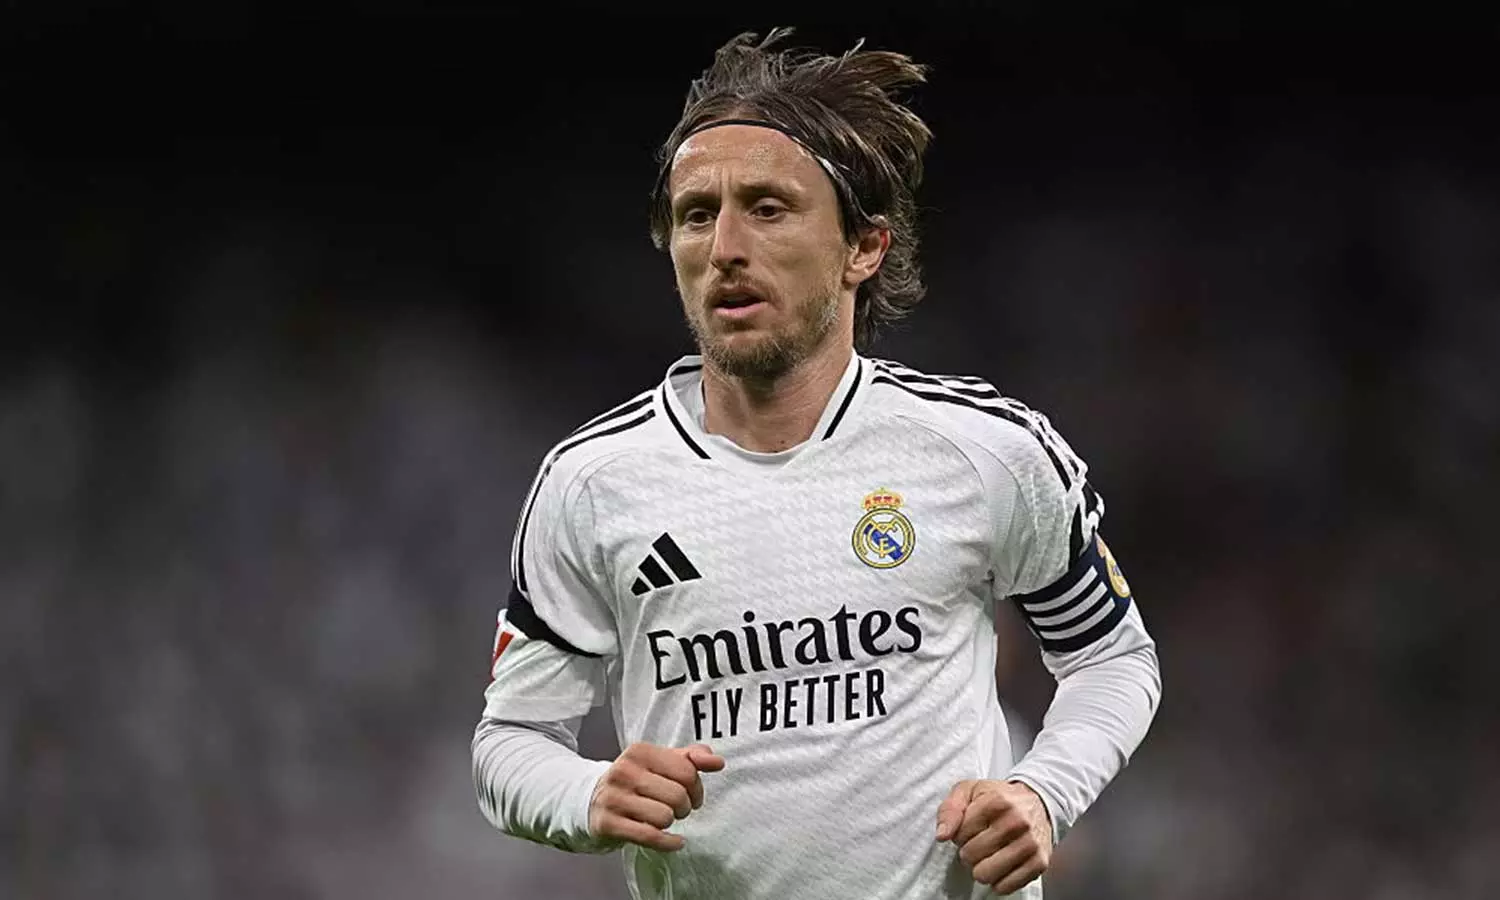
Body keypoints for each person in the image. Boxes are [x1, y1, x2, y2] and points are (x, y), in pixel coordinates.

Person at [472, 27, 1161, 900]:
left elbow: (1113, 660)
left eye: (767, 208)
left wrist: (1042, 793)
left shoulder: (987, 451)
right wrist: (587, 793)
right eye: (697, 214)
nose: (725, 245)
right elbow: (511, 741)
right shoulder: (592, 483)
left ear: (863, 248)